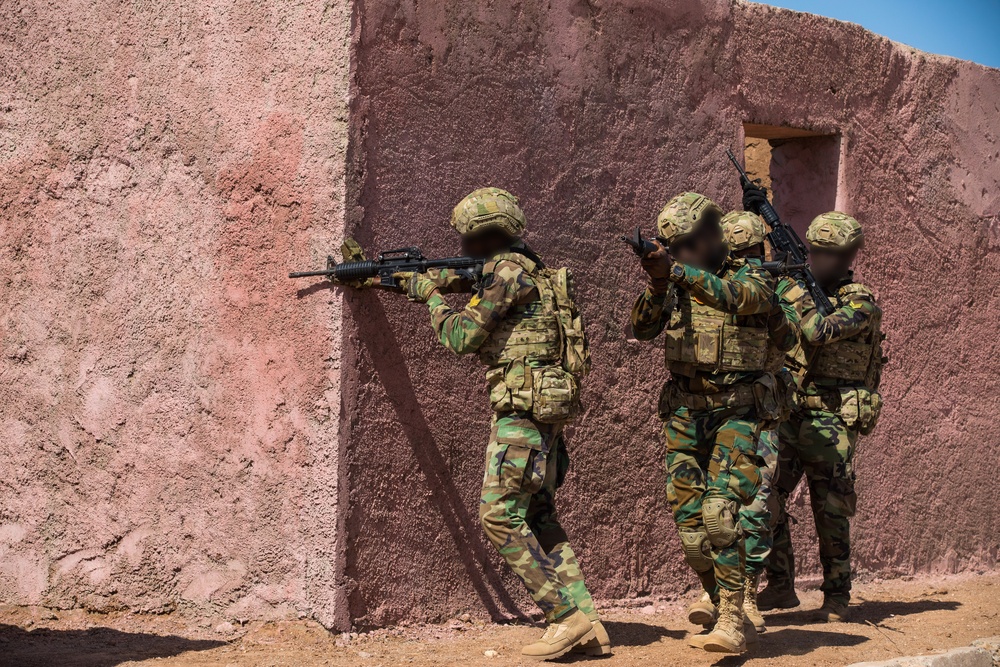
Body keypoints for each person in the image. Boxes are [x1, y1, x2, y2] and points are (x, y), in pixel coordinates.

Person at [394, 187, 610, 660]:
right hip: (545, 413)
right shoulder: (532, 270)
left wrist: (428, 296)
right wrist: (384, 278)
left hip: (523, 413)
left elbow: (461, 336)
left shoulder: (505, 274)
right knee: (537, 514)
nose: (462, 249)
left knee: (497, 514)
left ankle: (564, 617)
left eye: (467, 240)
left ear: (485, 237)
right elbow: (460, 276)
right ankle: (588, 622)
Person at [630, 193, 793, 654]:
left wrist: (676, 272)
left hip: (739, 411)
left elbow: (738, 299)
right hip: (685, 413)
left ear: (710, 234)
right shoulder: (678, 281)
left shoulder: (752, 275)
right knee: (689, 525)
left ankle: (734, 619)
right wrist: (659, 285)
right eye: (673, 248)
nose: (679, 254)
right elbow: (641, 329)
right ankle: (724, 597)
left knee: (722, 515)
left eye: (683, 246)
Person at [755, 211, 886, 623]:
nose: (820, 260)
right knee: (767, 499)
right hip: (792, 413)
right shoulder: (800, 288)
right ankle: (780, 585)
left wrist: (793, 288)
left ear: (848, 256)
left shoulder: (860, 302)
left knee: (830, 510)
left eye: (830, 254)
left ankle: (837, 595)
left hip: (832, 422)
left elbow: (818, 332)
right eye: (815, 252)